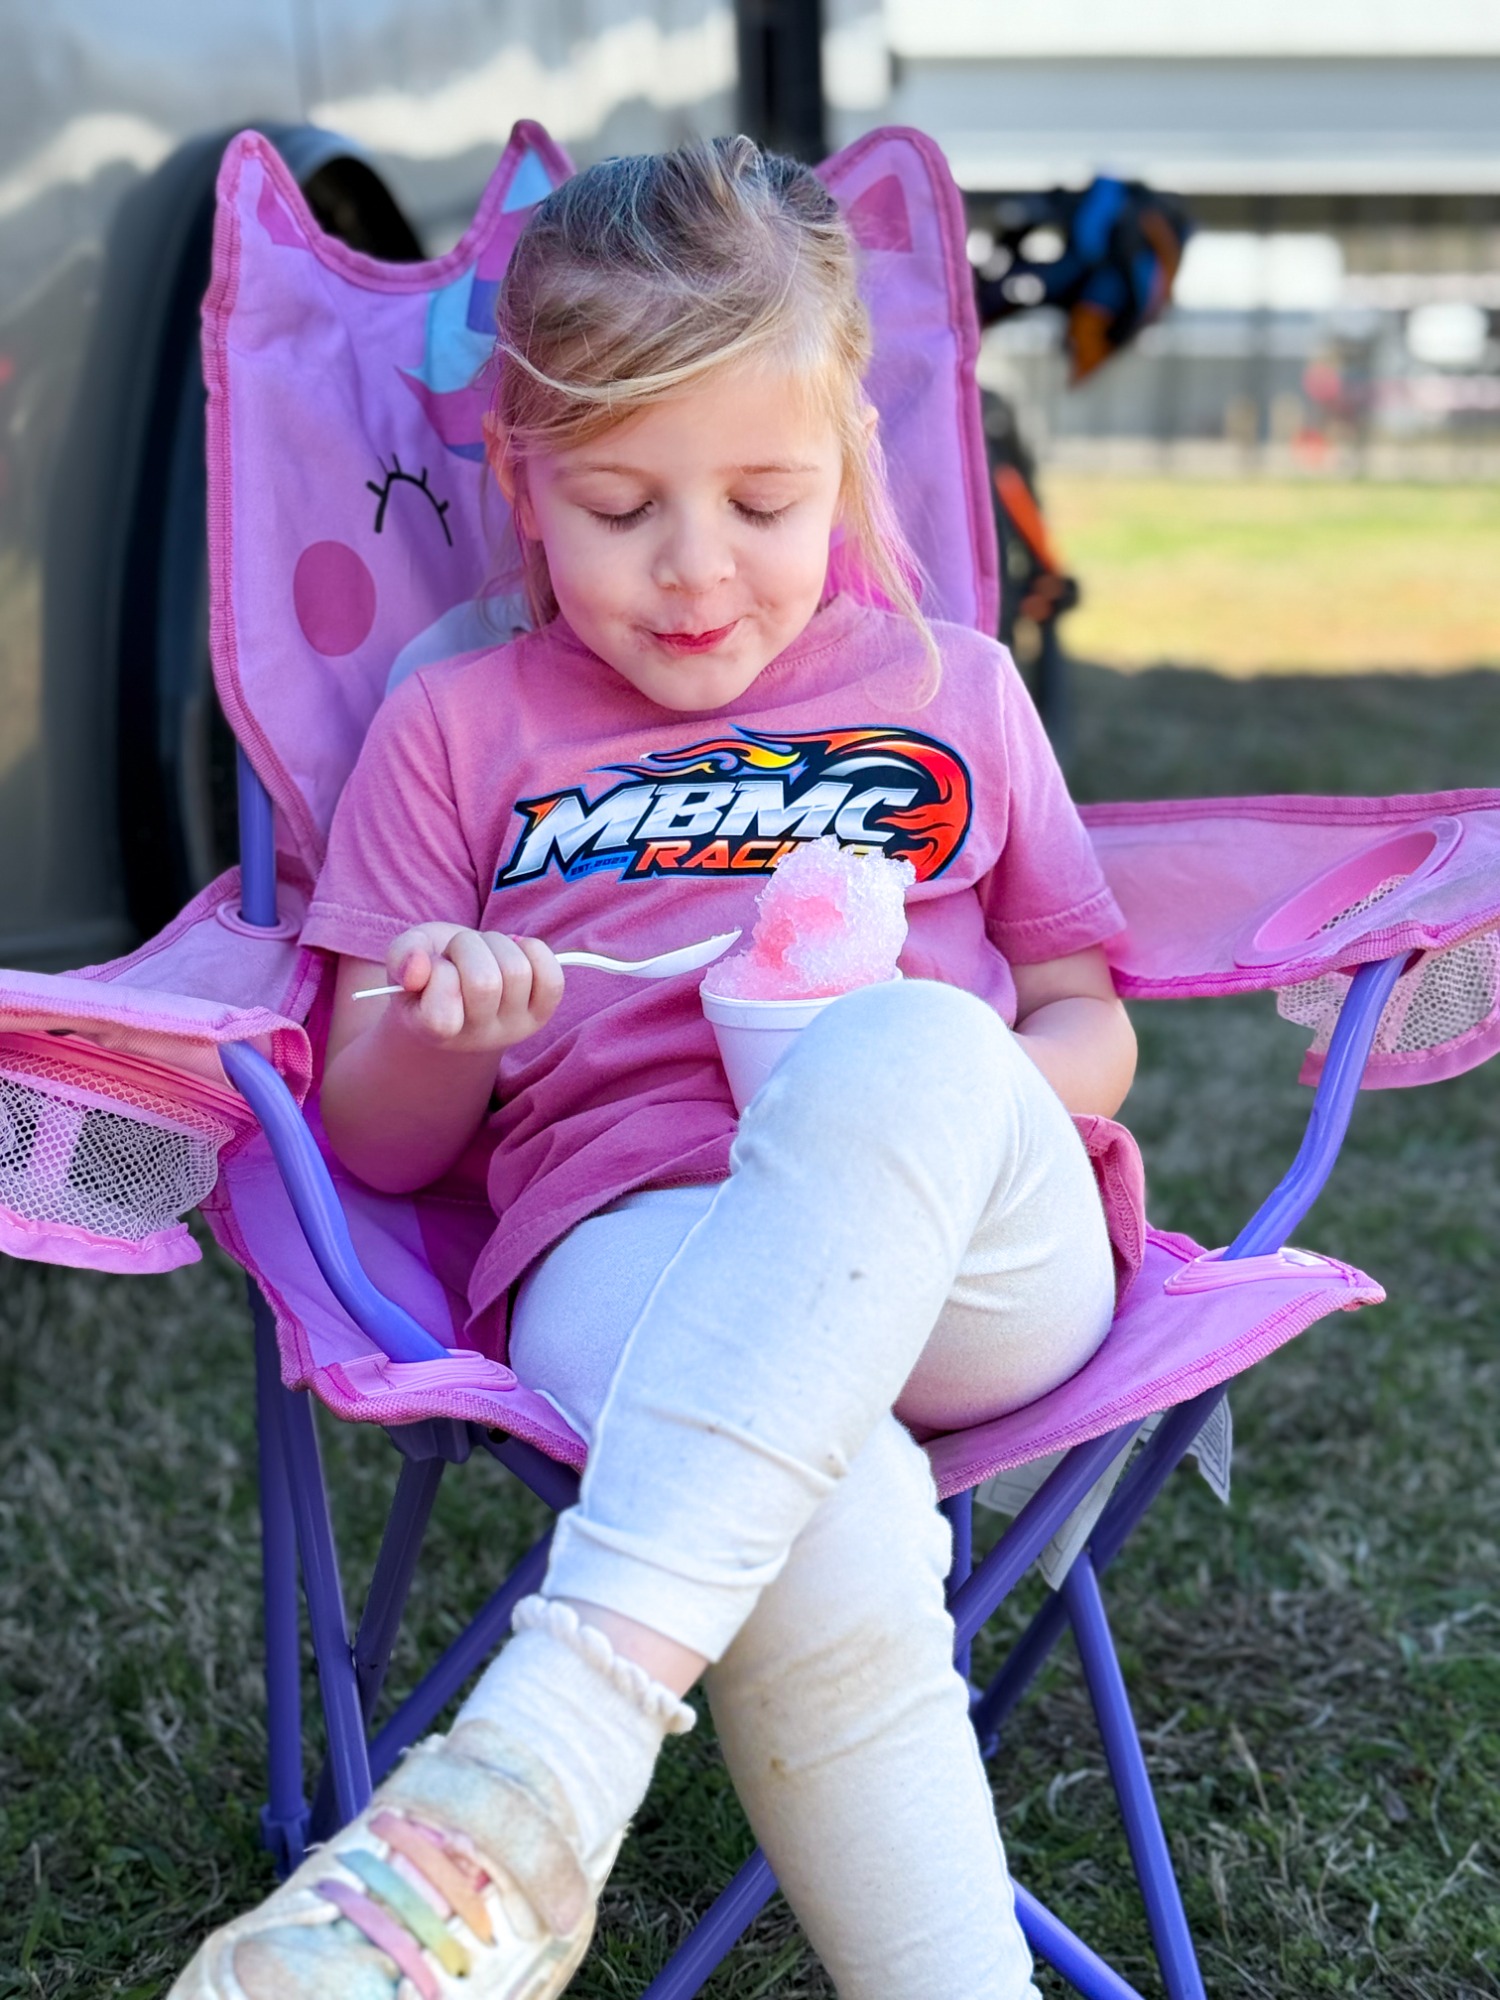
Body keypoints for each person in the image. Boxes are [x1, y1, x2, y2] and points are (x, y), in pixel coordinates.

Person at [172, 136, 1138, 2000]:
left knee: (907, 1037)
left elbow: (1085, 1017)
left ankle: (539, 1765)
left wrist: (937, 1105)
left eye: (765, 501)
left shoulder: (952, 686)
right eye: (621, 507)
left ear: (847, 453)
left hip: (972, 1254)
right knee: (829, 1514)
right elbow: (374, 1137)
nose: (696, 570)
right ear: (521, 483)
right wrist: (442, 1033)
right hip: (630, 1243)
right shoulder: (459, 726)